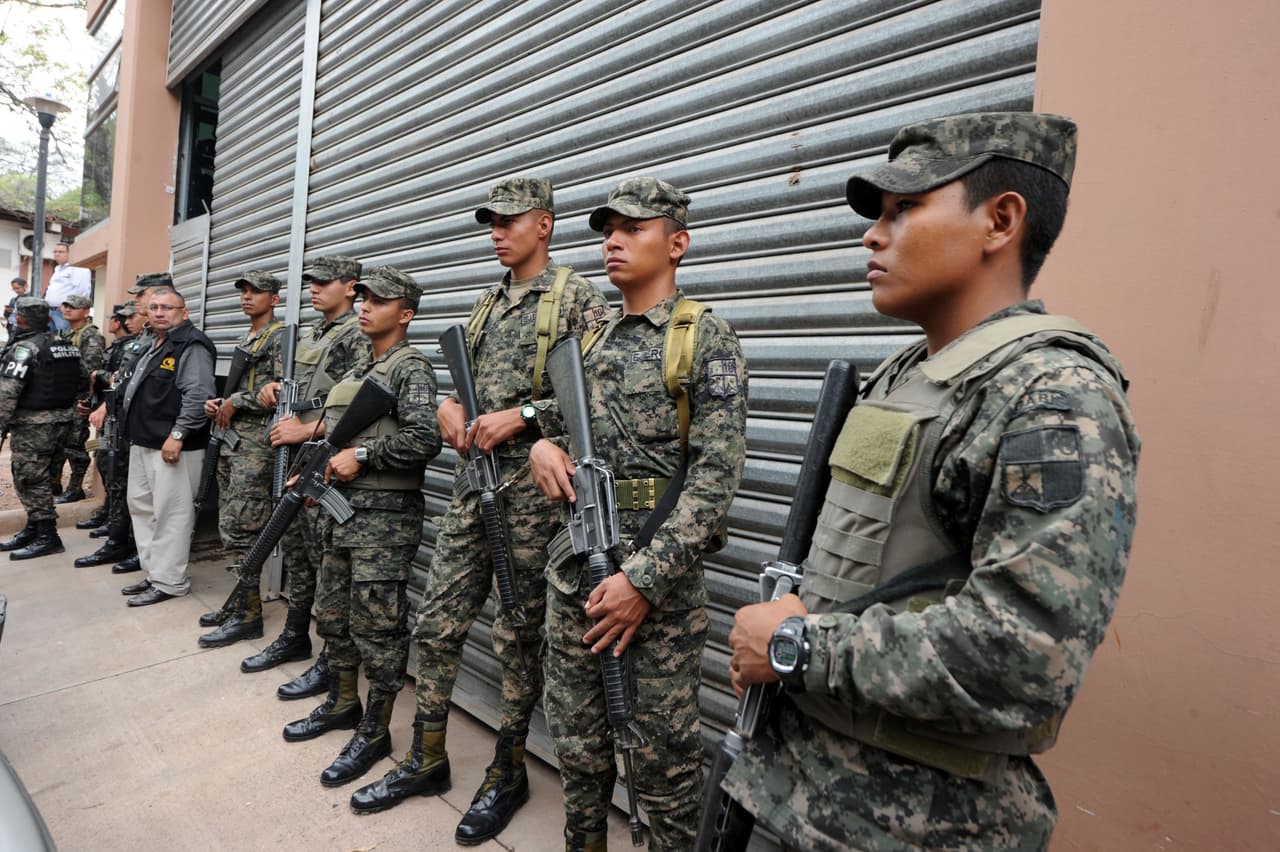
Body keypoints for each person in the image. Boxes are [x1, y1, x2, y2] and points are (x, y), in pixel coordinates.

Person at [719, 112, 1142, 851]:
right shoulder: (907, 374)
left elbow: (1024, 657)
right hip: (798, 797)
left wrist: (794, 646)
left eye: (905, 208)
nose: (872, 235)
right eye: (878, 215)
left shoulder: (1052, 393)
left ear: (1000, 221)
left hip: (915, 826)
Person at [349, 178, 609, 844]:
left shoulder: (575, 297)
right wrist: (447, 409)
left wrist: (522, 416)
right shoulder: (486, 304)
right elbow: (452, 392)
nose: (496, 231)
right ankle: (426, 756)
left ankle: (508, 768)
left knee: (519, 639)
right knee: (437, 624)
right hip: (473, 488)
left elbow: (598, 400)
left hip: (532, 497)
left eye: (509, 220)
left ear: (544, 225)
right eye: (490, 221)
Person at [528, 178, 748, 851]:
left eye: (633, 228)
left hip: (658, 597)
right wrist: (542, 446)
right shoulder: (587, 340)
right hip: (575, 577)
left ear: (677, 243)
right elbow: (562, 428)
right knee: (579, 747)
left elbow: (716, 477)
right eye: (606, 230)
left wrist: (643, 583)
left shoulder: (702, 338)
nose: (614, 241)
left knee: (662, 768)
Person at [281, 266, 441, 791]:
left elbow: (424, 439)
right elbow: (334, 436)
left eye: (381, 300)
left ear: (407, 314)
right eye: (365, 297)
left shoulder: (409, 368)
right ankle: (344, 702)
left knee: (379, 629)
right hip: (339, 514)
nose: (367, 305)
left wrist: (364, 456)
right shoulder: (362, 368)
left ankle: (376, 730)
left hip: (383, 523)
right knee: (334, 615)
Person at [242, 256, 371, 690]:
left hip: (325, 457)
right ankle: (295, 636)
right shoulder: (312, 332)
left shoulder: (358, 333)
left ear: (351, 287)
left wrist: (309, 428)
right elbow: (304, 387)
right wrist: (271, 388)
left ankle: (333, 660)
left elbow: (359, 404)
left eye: (323, 282)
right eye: (310, 282)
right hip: (296, 455)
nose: (313, 289)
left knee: (327, 566)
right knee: (298, 556)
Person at [196, 271, 286, 648]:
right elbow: (243, 389)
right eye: (244, 292)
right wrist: (220, 401)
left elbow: (281, 390)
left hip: (256, 445)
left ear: (274, 299)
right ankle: (238, 602)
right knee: (230, 526)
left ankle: (249, 615)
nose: (247, 298)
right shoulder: (247, 337)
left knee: (243, 528)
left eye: (257, 292)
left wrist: (236, 402)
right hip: (233, 442)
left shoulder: (280, 337)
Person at [117, 285, 216, 606]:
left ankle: (170, 581)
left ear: (184, 313)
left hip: (174, 447)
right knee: (143, 507)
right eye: (155, 307)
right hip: (144, 442)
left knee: (172, 514)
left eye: (168, 308)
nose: (160, 312)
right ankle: (155, 572)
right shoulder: (154, 343)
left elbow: (199, 395)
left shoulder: (193, 345)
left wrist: (178, 435)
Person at [85, 275, 165, 574]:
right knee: (121, 485)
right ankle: (122, 540)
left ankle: (132, 546)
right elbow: (124, 380)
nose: (137, 302)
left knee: (139, 494)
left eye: (140, 295)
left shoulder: (165, 336)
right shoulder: (143, 337)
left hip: (142, 428)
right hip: (122, 422)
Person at [0, 297, 85, 560]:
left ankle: (48, 536)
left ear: (21, 319)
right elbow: (82, 378)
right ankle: (34, 527)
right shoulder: (66, 345)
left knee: (30, 478)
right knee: (46, 478)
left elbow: (7, 394)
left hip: (34, 426)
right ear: (48, 319)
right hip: (64, 422)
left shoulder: (24, 349)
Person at [73, 303, 138, 551]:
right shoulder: (118, 347)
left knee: (114, 469)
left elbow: (117, 381)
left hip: (115, 419)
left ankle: (116, 521)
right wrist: (91, 403)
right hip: (103, 419)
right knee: (102, 461)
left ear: (118, 323)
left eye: (115, 318)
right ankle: (109, 511)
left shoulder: (131, 347)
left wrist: (98, 378)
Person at [49, 294, 105, 505]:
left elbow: (91, 371)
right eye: (66, 305)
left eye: (74, 306)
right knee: (59, 443)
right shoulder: (67, 333)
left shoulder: (90, 336)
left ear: (85, 311)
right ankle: (55, 484)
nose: (67, 309)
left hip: (79, 398)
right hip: (64, 398)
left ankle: (76, 488)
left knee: (75, 445)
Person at [44, 243, 92, 332]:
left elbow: (83, 291)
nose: (57, 254)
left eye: (61, 252)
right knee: (51, 340)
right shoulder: (57, 269)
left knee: (63, 339)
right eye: (55, 252)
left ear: (70, 254)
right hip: (51, 311)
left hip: (64, 312)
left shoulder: (78, 267)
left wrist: (69, 307)